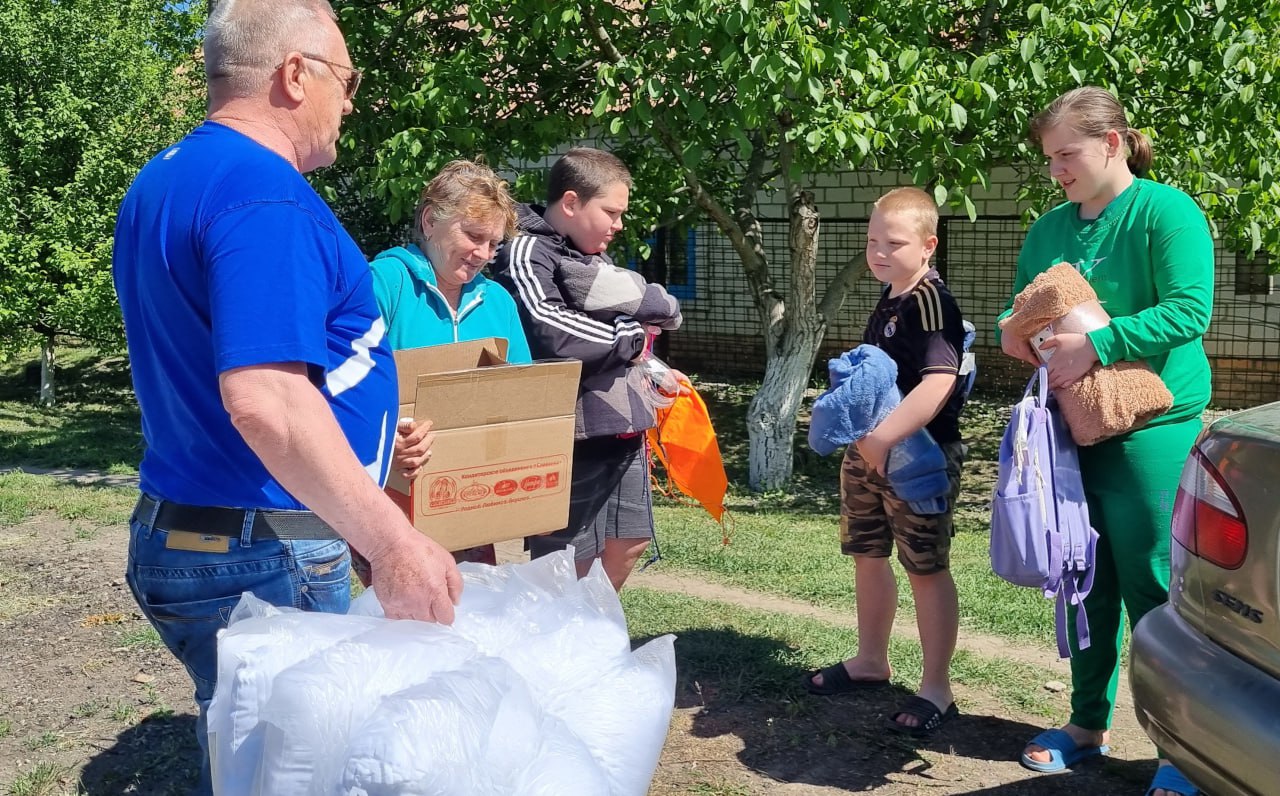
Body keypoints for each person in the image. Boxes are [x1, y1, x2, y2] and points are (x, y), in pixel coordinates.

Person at [110, 1, 461, 791]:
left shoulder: (169, 178)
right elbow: (266, 399)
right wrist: (392, 542)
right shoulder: (261, 194)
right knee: (300, 769)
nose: (352, 100)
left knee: (248, 752)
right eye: (346, 77)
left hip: (194, 530)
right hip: (262, 547)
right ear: (294, 75)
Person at [998, 87, 1212, 796]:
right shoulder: (1049, 229)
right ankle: (1087, 727)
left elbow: (1190, 310)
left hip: (1155, 431)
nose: (1057, 170)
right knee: (1081, 581)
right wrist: (1018, 332)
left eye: (1068, 154)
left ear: (1113, 142)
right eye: (1049, 159)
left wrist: (1098, 343)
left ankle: (1181, 754)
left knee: (1154, 590)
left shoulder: (1166, 211)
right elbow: (1023, 304)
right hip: (1072, 430)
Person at [802, 187, 968, 739]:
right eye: (873, 240)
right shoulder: (891, 294)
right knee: (867, 554)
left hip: (918, 460)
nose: (879, 252)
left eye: (894, 243)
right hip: (871, 452)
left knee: (925, 570)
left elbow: (939, 383)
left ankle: (937, 690)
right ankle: (872, 661)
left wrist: (882, 440)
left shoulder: (930, 302)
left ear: (928, 246)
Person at [491, 147, 683, 592]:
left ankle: (593, 630)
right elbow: (550, 330)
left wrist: (637, 345)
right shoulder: (525, 249)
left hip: (621, 426)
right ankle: (557, 643)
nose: (619, 225)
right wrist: (630, 339)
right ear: (572, 202)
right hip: (571, 432)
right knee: (564, 558)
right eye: (611, 212)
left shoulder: (589, 254)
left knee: (628, 540)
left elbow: (645, 303)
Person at [368, 159, 529, 566]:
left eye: (494, 244)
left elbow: (523, 395)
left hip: (473, 497)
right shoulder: (384, 283)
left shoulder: (499, 302)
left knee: (468, 613)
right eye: (474, 236)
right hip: (393, 495)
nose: (483, 254)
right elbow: (345, 384)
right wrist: (390, 443)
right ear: (429, 221)